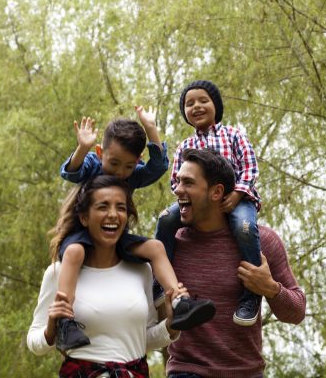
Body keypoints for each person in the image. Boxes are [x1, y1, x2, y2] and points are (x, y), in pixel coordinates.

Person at [56, 107, 214, 352]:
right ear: (101, 153)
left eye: (128, 166)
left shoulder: (132, 175)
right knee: (75, 252)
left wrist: (151, 129)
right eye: (114, 163)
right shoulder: (93, 163)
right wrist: (83, 148)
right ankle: (65, 323)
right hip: (81, 235)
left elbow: (159, 167)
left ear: (137, 162)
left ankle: (180, 301)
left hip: (115, 237)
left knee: (156, 246)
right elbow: (71, 172)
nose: (120, 172)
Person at [166, 148, 306, 378]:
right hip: (187, 371)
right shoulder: (170, 244)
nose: (177, 189)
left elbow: (297, 312)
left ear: (216, 192)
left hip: (247, 373)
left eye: (188, 183)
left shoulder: (263, 242)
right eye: (178, 181)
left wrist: (270, 288)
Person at [27, 175, 184, 377]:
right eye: (103, 207)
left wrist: (171, 326)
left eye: (121, 208)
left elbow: (143, 338)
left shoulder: (142, 271)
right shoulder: (58, 273)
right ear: (84, 217)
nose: (113, 214)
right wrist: (51, 328)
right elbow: (34, 343)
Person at [155, 80, 263, 326]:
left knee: (244, 228)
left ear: (216, 106)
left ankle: (251, 294)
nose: (197, 107)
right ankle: (159, 280)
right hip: (197, 202)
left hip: (237, 199)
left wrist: (236, 193)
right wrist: (185, 196)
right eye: (189, 104)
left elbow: (249, 168)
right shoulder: (185, 146)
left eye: (203, 101)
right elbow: (176, 182)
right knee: (165, 219)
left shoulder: (233, 135)